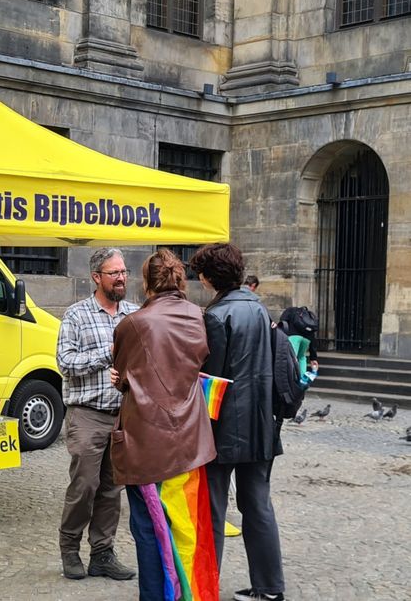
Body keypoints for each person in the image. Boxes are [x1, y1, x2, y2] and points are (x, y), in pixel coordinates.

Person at [110, 249, 219, 600]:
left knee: (147, 527)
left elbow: (125, 373)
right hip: (189, 438)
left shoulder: (133, 323)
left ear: (146, 282)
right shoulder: (198, 316)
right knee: (185, 525)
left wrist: (122, 380)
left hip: (147, 440)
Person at [190, 243, 286, 601]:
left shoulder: (216, 316)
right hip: (261, 424)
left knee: (213, 510)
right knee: (258, 506)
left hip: (224, 429)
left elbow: (210, 381)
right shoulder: (258, 309)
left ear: (209, 277)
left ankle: (206, 587)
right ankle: (270, 588)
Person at [56, 247, 138, 582]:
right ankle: (70, 548)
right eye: (114, 273)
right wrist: (108, 354)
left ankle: (102, 553)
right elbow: (65, 363)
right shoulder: (75, 315)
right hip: (87, 414)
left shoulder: (133, 314)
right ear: (96, 277)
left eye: (123, 272)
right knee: (85, 485)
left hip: (122, 414)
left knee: (111, 488)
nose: (121, 278)